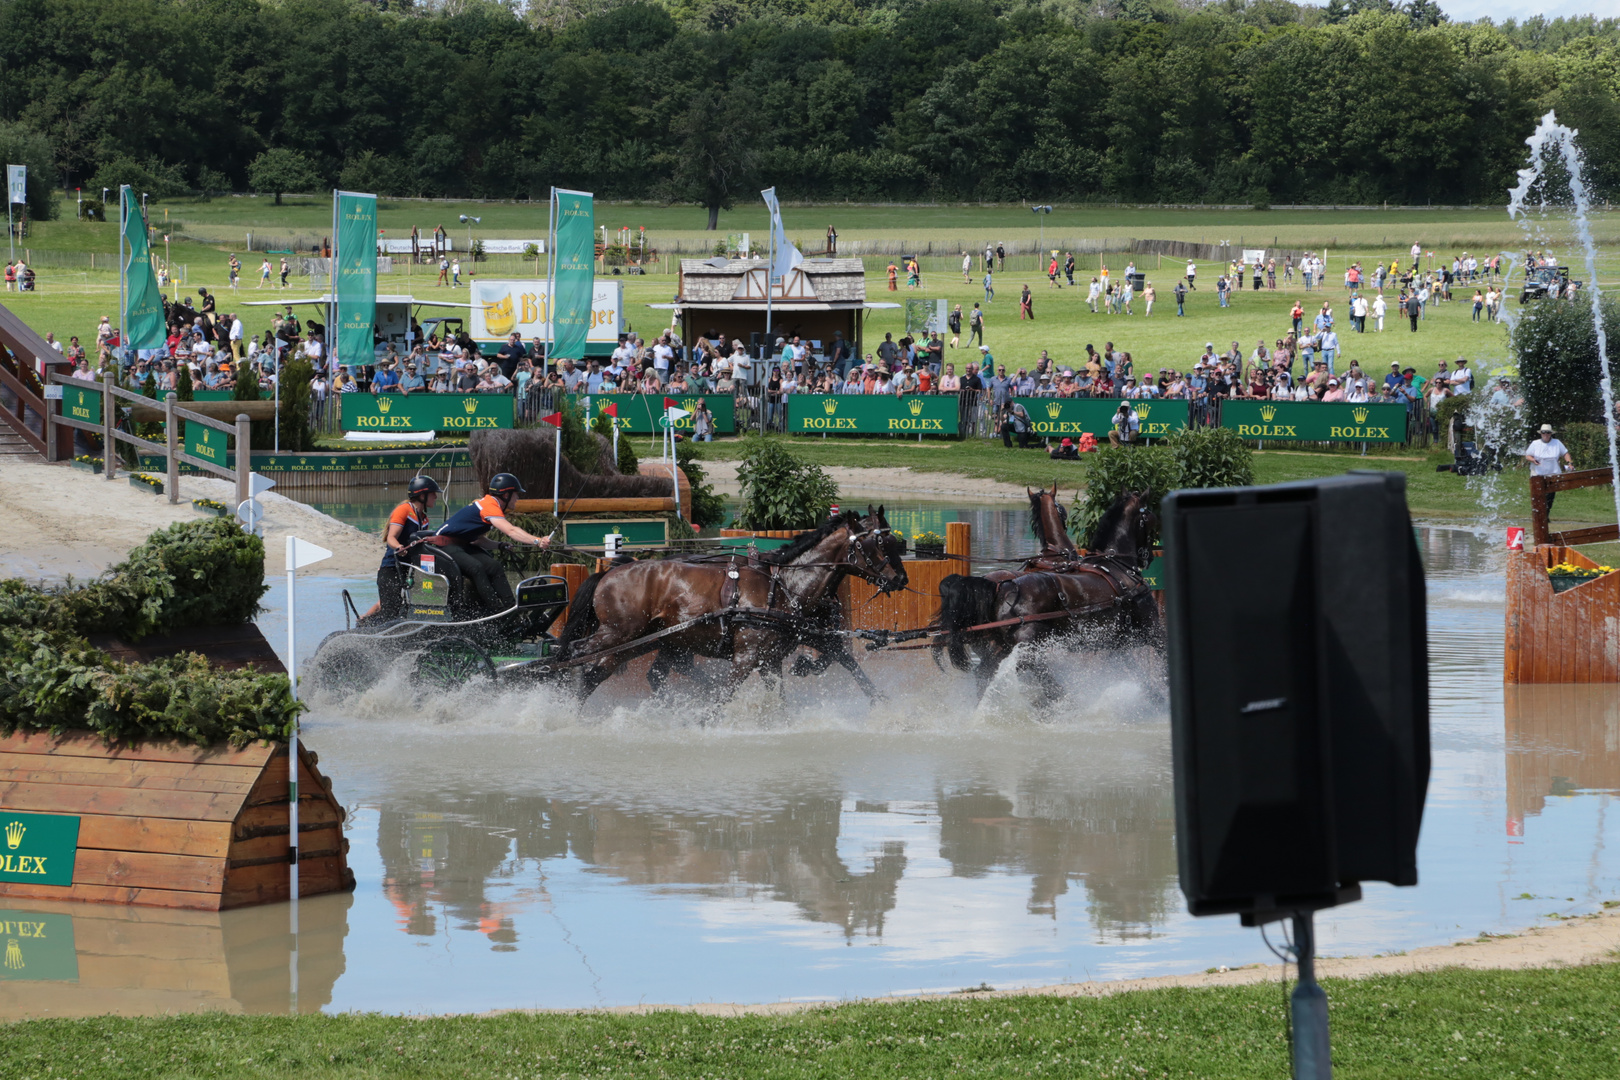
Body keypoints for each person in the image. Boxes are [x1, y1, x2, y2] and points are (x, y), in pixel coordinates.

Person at [435, 473, 553, 616]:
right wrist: (538, 541)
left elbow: (477, 540)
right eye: (516, 494)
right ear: (505, 494)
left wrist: (499, 545)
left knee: (494, 566)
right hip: (443, 546)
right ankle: (497, 612)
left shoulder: (490, 505)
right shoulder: (490, 506)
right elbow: (511, 530)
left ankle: (512, 610)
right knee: (476, 567)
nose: (517, 498)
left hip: (461, 545)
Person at [372, 476, 463, 620]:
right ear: (422, 495)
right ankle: (364, 625)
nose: (435, 497)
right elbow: (391, 537)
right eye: (433, 493)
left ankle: (364, 621)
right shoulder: (404, 510)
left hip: (408, 571)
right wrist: (399, 548)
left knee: (398, 607)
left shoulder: (424, 519)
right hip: (391, 569)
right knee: (389, 611)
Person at [1526, 424, 1574, 511]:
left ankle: (1546, 515)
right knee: (1539, 496)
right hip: (1538, 473)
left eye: (1548, 433)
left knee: (1550, 497)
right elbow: (1528, 455)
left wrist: (1569, 463)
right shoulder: (1535, 443)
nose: (1546, 435)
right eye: (1544, 432)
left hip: (1553, 473)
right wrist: (1533, 460)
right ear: (1541, 433)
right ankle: (1540, 515)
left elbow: (1565, 453)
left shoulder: (1557, 443)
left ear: (1551, 433)